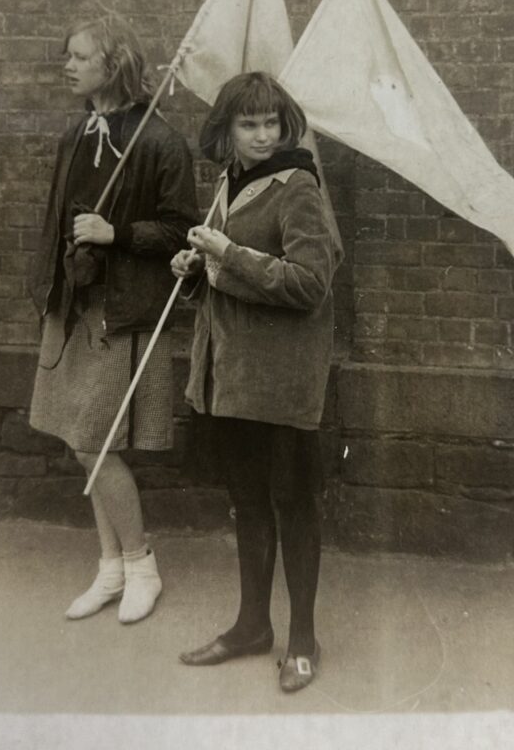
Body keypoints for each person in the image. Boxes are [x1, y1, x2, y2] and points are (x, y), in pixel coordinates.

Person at [171, 72, 339, 693]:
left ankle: (302, 639)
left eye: (272, 122)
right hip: (233, 380)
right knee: (246, 501)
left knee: (293, 504)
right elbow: (223, 285)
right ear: (227, 130)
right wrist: (194, 269)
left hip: (283, 384)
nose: (263, 135)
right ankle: (250, 626)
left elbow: (309, 284)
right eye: (250, 124)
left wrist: (226, 256)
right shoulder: (226, 184)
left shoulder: (298, 187)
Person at [28, 13, 198, 624]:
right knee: (85, 444)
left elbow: (185, 230)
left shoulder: (157, 140)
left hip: (121, 312)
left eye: (79, 56)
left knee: (93, 443)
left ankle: (141, 563)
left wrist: (115, 232)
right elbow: (56, 220)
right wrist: (52, 288)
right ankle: (111, 569)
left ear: (114, 63)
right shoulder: (76, 134)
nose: (67, 65)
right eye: (66, 55)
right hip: (77, 306)